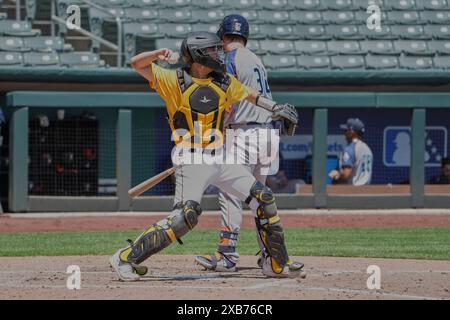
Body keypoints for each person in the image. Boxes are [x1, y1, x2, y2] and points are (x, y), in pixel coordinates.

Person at [109, 31, 302, 281]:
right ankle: (125, 257)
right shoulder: (173, 80)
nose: (218, 54)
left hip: (220, 157)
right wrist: (158, 54)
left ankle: (274, 263)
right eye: (212, 50)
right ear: (199, 55)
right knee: (185, 217)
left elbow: (251, 96)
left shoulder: (224, 82)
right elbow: (137, 63)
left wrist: (275, 108)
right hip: (191, 157)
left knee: (263, 198)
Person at [194, 15, 304, 273]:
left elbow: (228, 102)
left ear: (223, 34)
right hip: (267, 134)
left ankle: (227, 255)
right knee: (259, 198)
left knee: (231, 192)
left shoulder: (229, 59)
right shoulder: (256, 59)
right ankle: (272, 257)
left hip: (243, 133)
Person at [329, 118, 373, 186]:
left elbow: (346, 174)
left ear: (352, 132)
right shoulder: (368, 149)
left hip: (353, 191)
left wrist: (336, 177)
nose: (345, 133)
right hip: (366, 191)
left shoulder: (350, 148)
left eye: (346, 130)